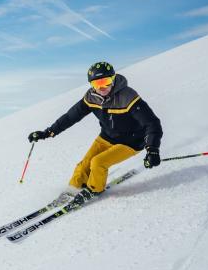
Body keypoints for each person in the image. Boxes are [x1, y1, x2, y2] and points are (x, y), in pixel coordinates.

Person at [28, 61, 162, 205]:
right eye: (97, 84)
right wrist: (48, 132)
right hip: (106, 137)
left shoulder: (127, 96)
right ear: (91, 85)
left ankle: (94, 189)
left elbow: (152, 123)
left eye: (106, 81)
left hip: (131, 142)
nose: (102, 87)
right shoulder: (91, 98)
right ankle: (73, 190)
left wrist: (152, 149)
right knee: (83, 166)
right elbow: (70, 117)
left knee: (98, 163)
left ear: (113, 78)